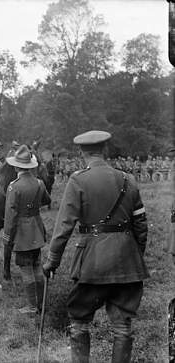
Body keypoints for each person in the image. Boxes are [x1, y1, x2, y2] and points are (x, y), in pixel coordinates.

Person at [42, 130, 149, 363]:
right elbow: (141, 224)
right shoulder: (128, 179)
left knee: (79, 321)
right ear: (106, 149)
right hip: (126, 260)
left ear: (81, 152)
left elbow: (63, 227)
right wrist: (135, 254)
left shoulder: (78, 180)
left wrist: (52, 260)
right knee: (122, 326)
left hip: (92, 264)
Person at [1, 145, 51, 313]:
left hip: (22, 233)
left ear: (16, 166)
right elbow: (47, 200)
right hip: (37, 228)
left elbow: (10, 216)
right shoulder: (39, 183)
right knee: (37, 264)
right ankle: (41, 303)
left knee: (25, 267)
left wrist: (7, 237)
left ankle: (32, 306)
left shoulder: (14, 187)